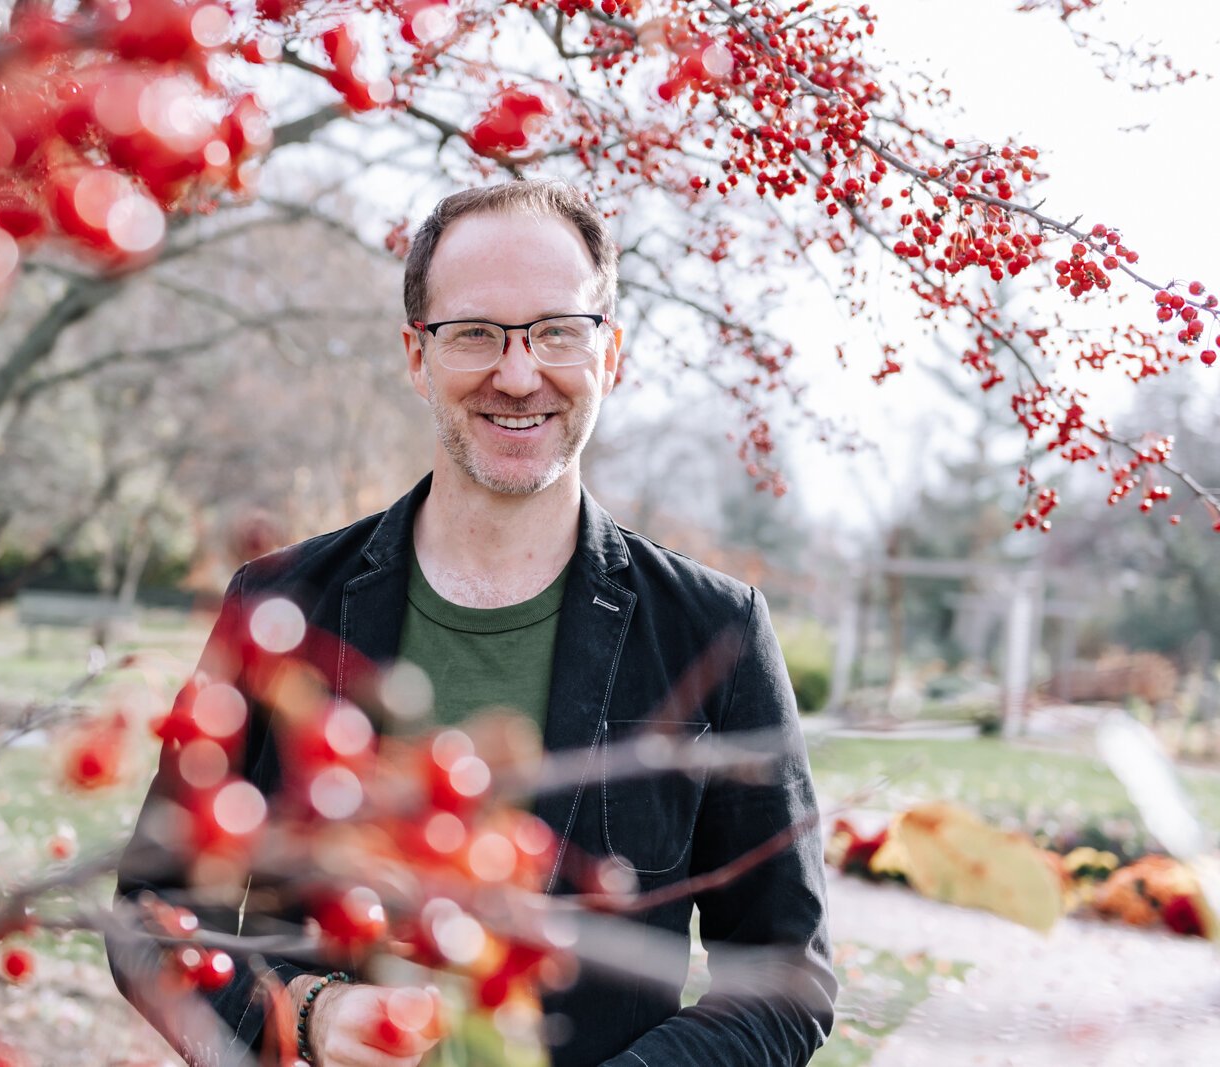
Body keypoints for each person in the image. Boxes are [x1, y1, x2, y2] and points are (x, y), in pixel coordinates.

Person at [109, 180, 836, 1067]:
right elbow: (151, 914)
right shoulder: (280, 606)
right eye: (476, 334)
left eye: (557, 331)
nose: (519, 373)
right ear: (417, 357)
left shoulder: (714, 632)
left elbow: (785, 977)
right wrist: (300, 1016)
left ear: (609, 355)